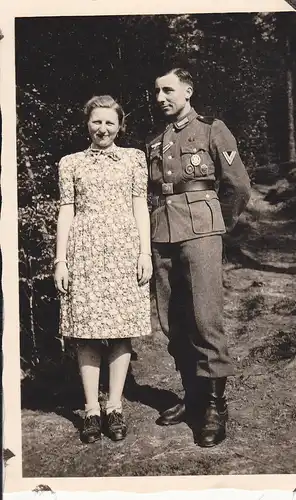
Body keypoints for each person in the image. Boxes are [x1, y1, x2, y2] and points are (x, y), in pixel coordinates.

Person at [146, 68, 251, 447]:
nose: (161, 97)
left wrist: (216, 226)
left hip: (202, 232)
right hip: (162, 234)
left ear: (188, 91)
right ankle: (191, 397)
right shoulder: (154, 141)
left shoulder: (211, 129)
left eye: (168, 90)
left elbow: (238, 185)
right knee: (173, 319)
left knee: (206, 319)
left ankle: (214, 406)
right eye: (156, 91)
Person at [54, 95, 152, 444]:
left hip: (125, 252)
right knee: (87, 332)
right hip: (84, 253)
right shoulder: (70, 163)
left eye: (110, 122)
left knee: (121, 330)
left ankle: (114, 407)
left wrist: (145, 253)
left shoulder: (134, 159)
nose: (103, 128)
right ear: (87, 123)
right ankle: (91, 411)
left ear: (120, 125)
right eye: (97, 121)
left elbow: (141, 207)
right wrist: (60, 260)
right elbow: (66, 211)